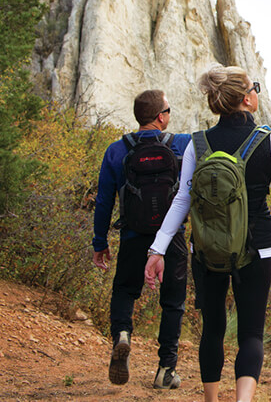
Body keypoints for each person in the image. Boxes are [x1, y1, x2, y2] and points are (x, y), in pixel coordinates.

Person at [145, 66, 271, 402]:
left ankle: (211, 401)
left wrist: (157, 250)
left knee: (212, 330)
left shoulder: (197, 144)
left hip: (205, 250)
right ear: (246, 98)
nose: (257, 93)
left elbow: (182, 201)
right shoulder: (270, 142)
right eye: (255, 88)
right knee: (251, 333)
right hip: (255, 248)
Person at [92, 90, 191, 389]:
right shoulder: (183, 144)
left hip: (133, 234)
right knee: (173, 302)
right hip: (171, 236)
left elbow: (104, 200)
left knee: (124, 290)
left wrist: (100, 242)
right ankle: (165, 369)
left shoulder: (116, 150)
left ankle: (122, 334)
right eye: (168, 109)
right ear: (161, 117)